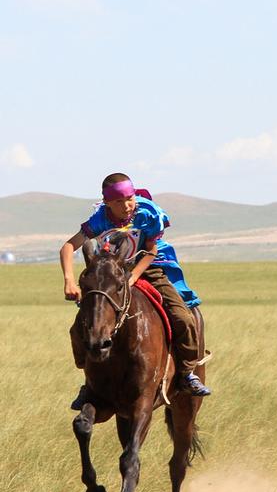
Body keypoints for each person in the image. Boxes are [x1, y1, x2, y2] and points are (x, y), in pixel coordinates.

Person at [60, 172, 211, 409]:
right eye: (118, 201)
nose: (126, 205)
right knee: (80, 327)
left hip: (149, 268)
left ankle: (187, 373)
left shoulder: (146, 213)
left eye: (129, 198)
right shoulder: (99, 220)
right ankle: (89, 381)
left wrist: (133, 277)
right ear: (107, 202)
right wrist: (69, 280)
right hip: (111, 275)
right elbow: (69, 246)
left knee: (184, 317)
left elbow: (150, 251)